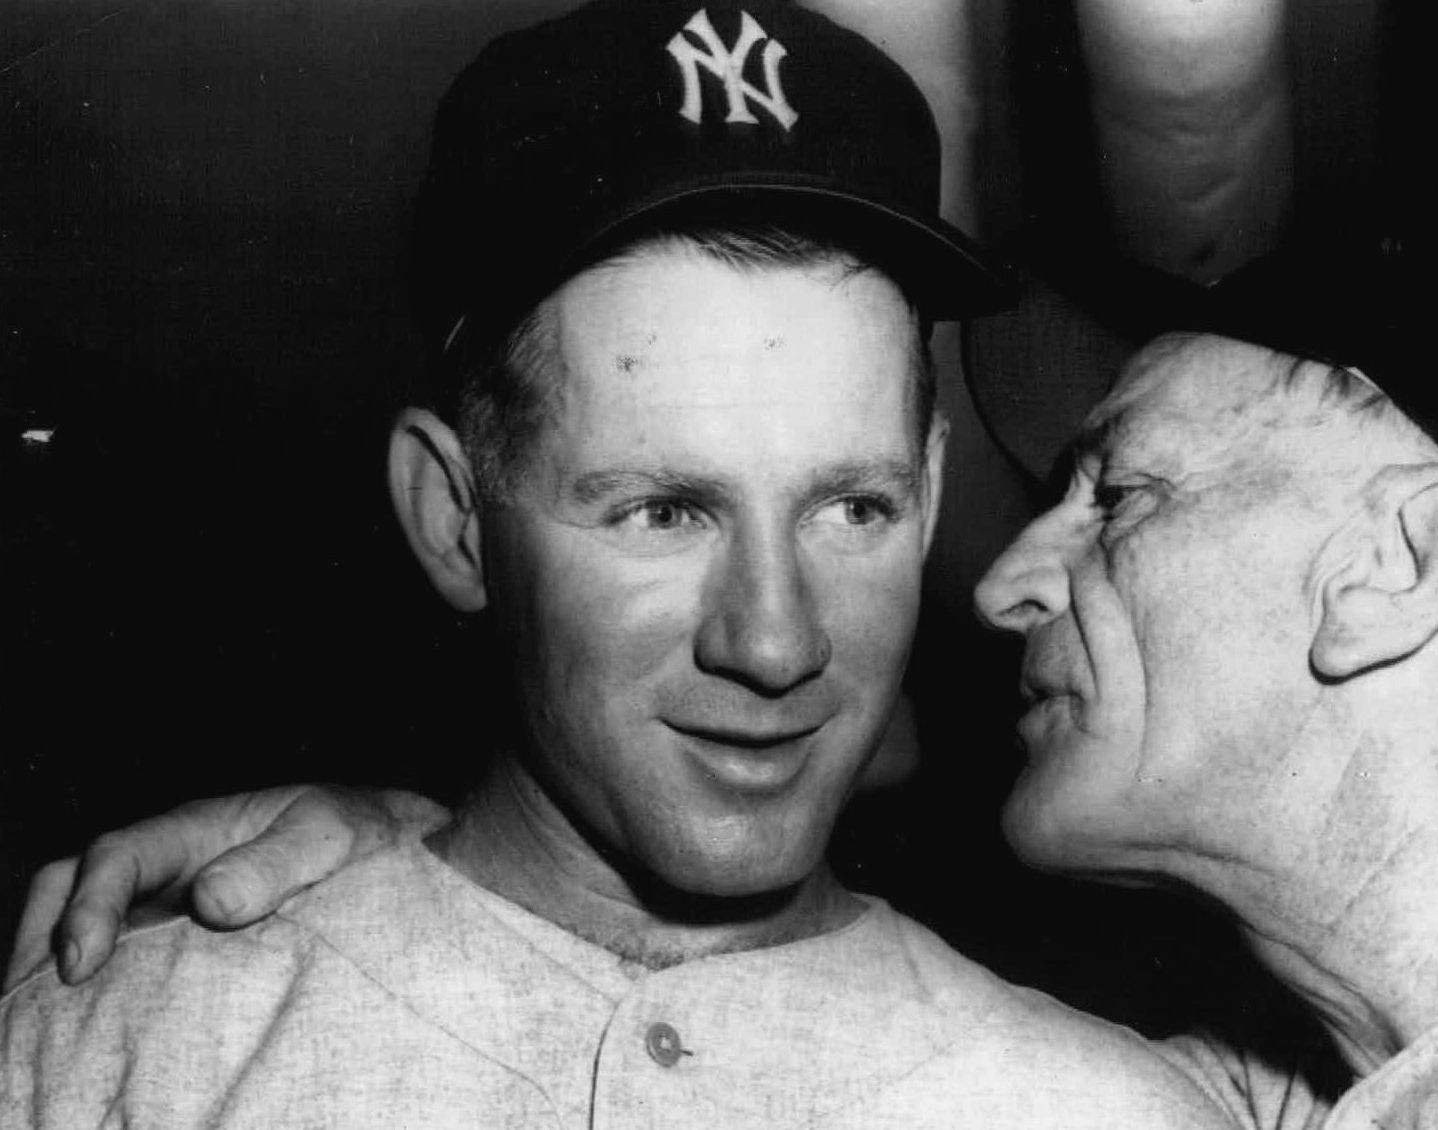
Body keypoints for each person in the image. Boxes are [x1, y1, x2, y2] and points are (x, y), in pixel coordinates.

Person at [15, 163, 1438, 1130]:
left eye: (1115, 495)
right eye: (659, 505)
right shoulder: (1277, 1108)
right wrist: (405, 851)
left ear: (1395, 564)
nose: (998, 582)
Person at [0, 2, 1241, 1127]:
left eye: (852, 506)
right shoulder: (119, 1054)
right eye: (663, 511)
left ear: (925, 502)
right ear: (451, 517)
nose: (776, 642)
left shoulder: (1106, 1108)